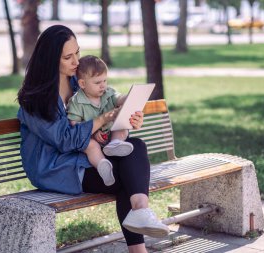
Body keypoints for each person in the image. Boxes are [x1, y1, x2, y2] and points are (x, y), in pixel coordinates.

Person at [17, 25, 169, 253]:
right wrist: (100, 120)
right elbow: (65, 140)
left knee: (135, 145)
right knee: (126, 178)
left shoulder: (77, 83)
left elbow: (106, 105)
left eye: (77, 52)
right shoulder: (34, 101)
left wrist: (128, 117)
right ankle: (139, 245)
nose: (77, 61)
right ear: (50, 60)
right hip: (58, 168)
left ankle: (140, 210)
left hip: (86, 156)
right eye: (68, 57)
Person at [67, 55, 133, 186]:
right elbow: (74, 126)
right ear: (82, 84)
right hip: (90, 138)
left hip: (110, 135)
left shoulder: (108, 93)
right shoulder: (76, 102)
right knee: (91, 146)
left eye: (105, 81)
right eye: (97, 83)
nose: (103, 86)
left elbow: (119, 98)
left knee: (122, 126)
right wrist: (92, 133)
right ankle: (103, 166)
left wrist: (129, 97)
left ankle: (115, 144)